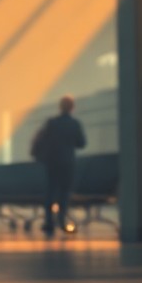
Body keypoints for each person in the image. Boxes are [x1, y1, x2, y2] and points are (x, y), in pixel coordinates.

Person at [34, 96, 87, 236]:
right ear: (72, 107)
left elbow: (43, 140)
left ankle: (49, 222)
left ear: (60, 107)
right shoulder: (74, 124)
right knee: (64, 192)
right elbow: (81, 143)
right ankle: (61, 221)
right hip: (67, 162)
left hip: (52, 162)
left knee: (50, 191)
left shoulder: (52, 123)